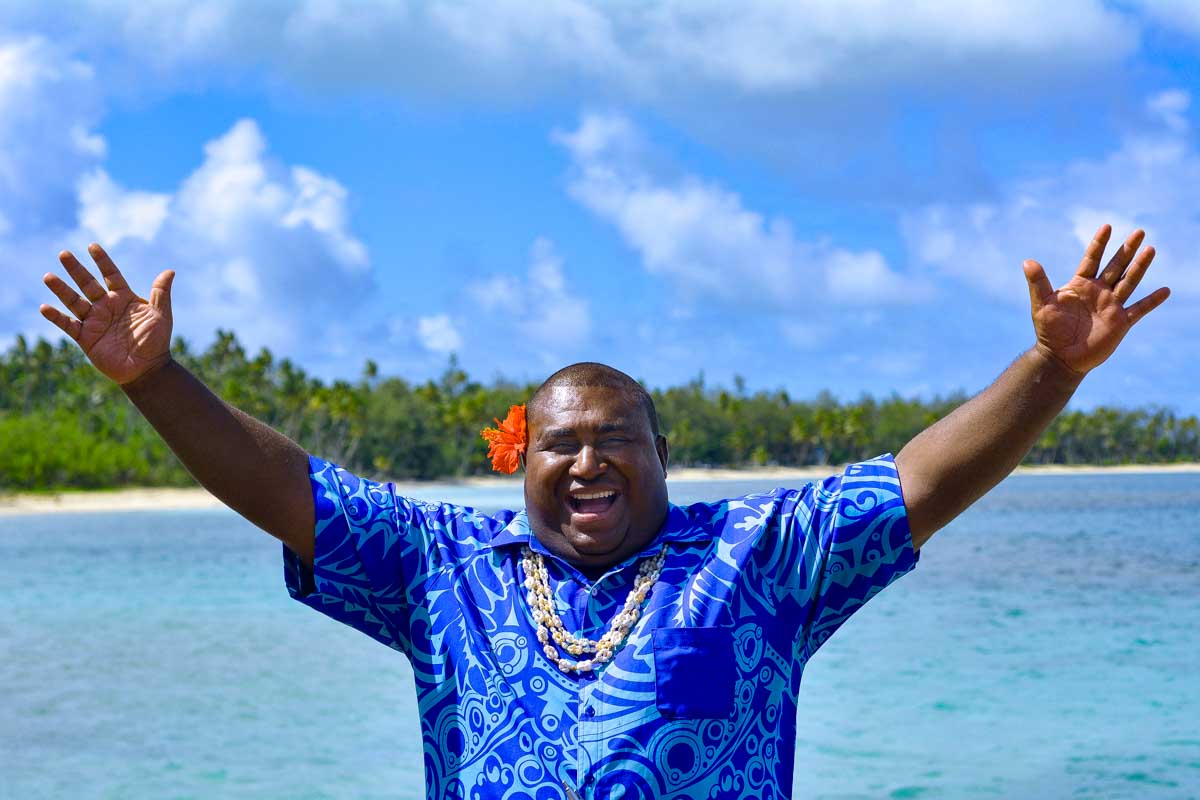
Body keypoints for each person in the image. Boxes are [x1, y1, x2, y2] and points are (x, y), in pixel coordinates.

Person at [38, 226, 1169, 800]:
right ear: (520, 457)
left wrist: (1050, 371)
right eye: (560, 441)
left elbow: (920, 479)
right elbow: (291, 492)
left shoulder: (758, 556)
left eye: (614, 437)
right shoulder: (447, 565)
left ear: (662, 456)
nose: (587, 459)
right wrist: (153, 383)